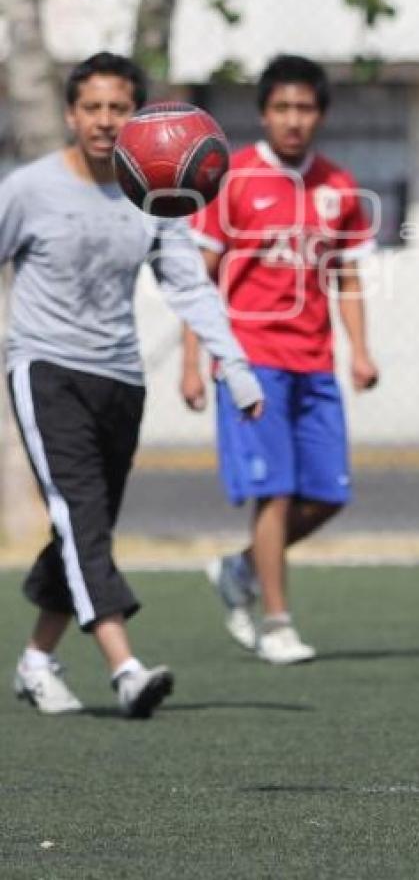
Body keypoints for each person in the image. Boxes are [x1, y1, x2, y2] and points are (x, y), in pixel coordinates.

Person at [1, 52, 264, 719]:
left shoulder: (155, 190)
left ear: (137, 117)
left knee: (82, 529)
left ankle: (36, 660)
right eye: (92, 107)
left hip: (119, 378)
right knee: (81, 515)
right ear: (70, 113)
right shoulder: (28, 189)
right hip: (45, 368)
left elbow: (187, 283)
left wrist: (234, 366)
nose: (104, 120)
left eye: (118, 108)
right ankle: (125, 666)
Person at [181, 54, 378, 665]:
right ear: (264, 114)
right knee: (277, 493)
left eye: (305, 108)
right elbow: (199, 279)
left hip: (314, 361)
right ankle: (277, 621)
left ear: (320, 115)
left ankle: (239, 569)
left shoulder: (339, 187)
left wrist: (360, 350)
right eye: (282, 108)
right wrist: (193, 361)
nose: (294, 120)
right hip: (250, 362)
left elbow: (344, 276)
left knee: (328, 495)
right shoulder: (231, 179)